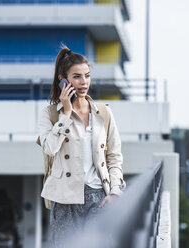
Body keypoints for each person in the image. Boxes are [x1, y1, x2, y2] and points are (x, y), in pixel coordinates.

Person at [38, 45, 126, 247]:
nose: (83, 82)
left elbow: (114, 156)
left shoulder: (103, 113)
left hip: (99, 197)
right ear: (63, 80)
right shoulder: (50, 114)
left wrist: (114, 193)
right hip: (65, 200)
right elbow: (50, 149)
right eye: (76, 76)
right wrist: (66, 114)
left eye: (87, 76)